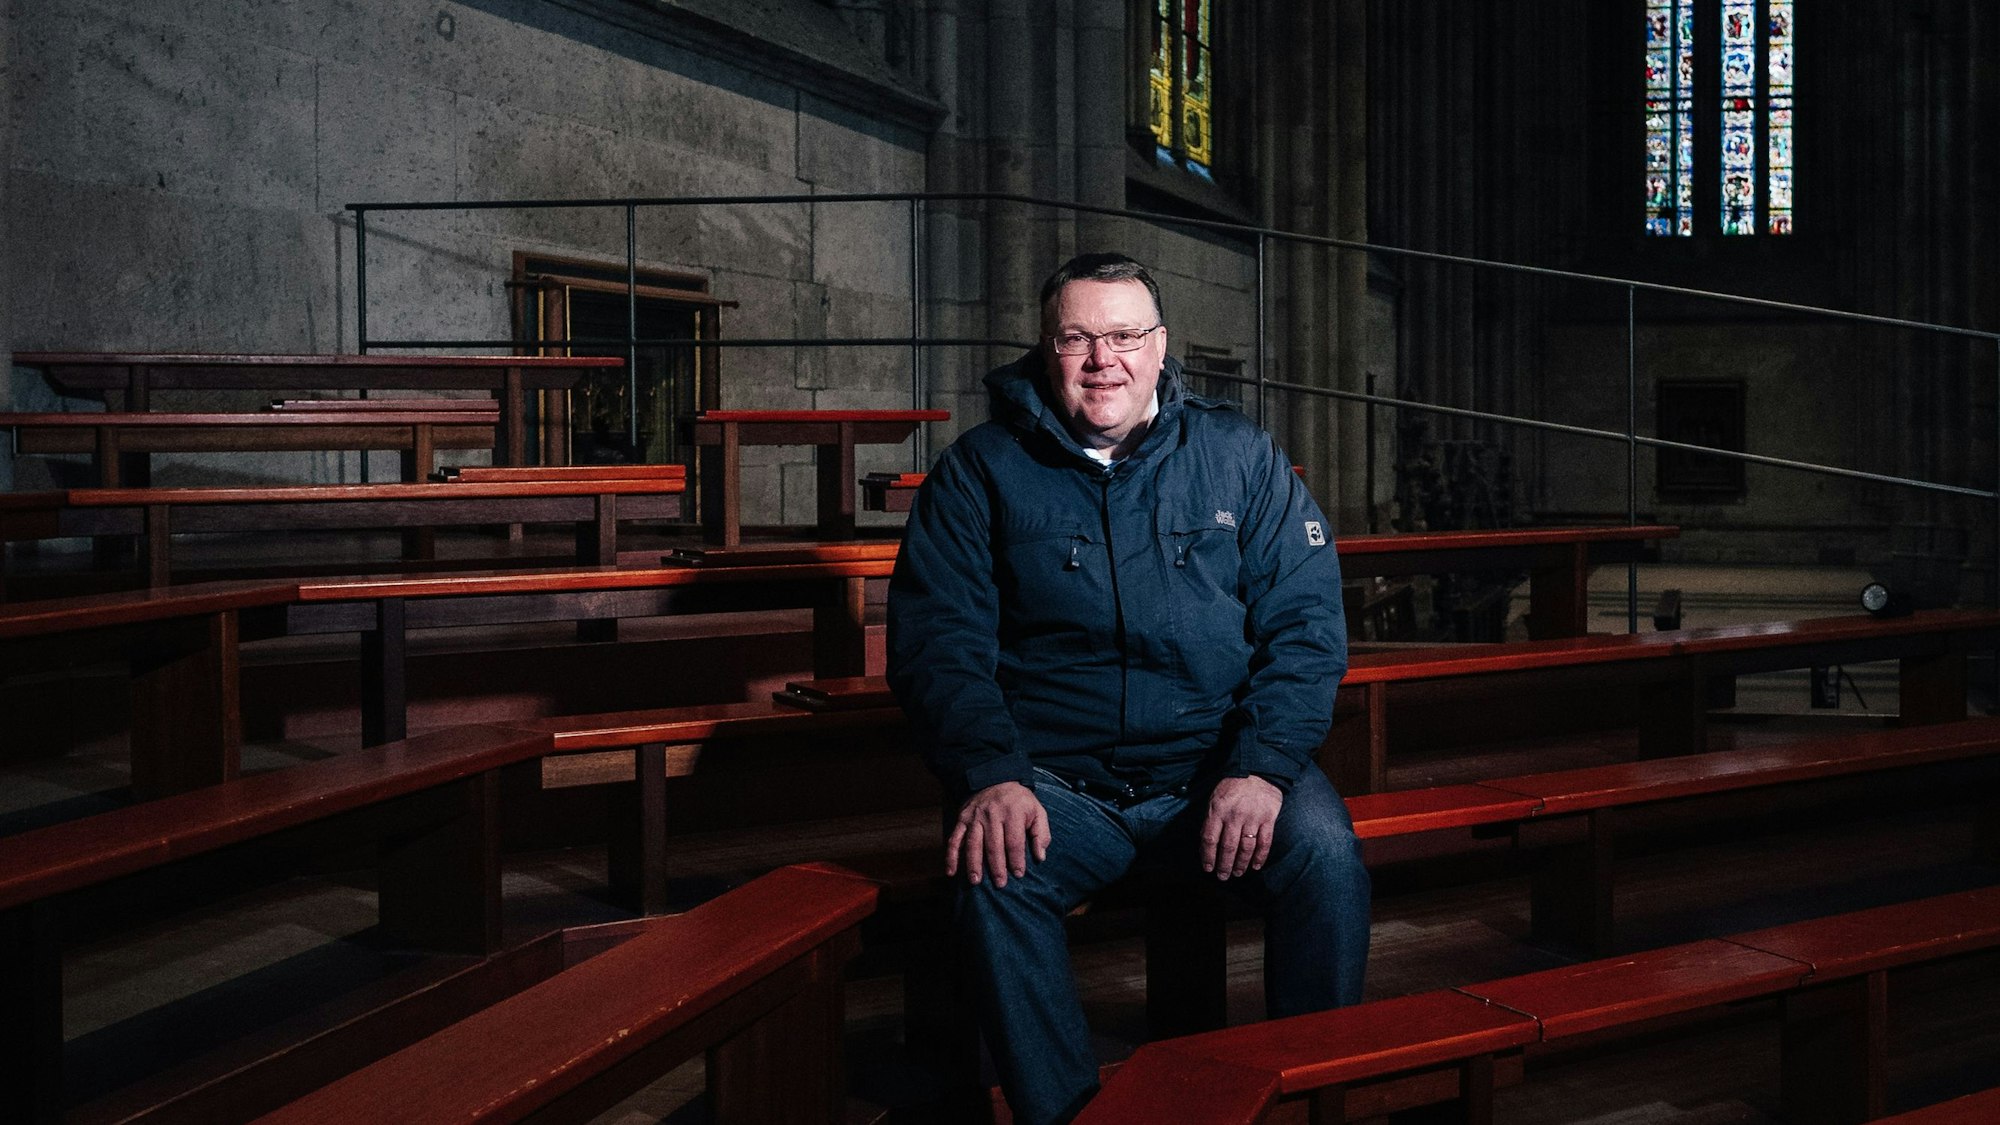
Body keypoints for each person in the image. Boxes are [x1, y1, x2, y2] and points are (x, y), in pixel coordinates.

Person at [886, 252, 1370, 1124]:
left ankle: (1317, 1098)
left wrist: (1262, 766)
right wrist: (991, 771)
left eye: (1122, 335)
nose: (1101, 358)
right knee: (991, 875)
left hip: (1216, 766)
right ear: (1046, 350)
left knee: (1325, 854)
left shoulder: (1239, 457)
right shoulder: (979, 472)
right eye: (1077, 337)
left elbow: (1307, 628)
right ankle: (1067, 1111)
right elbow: (937, 644)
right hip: (1061, 783)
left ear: (1160, 346)